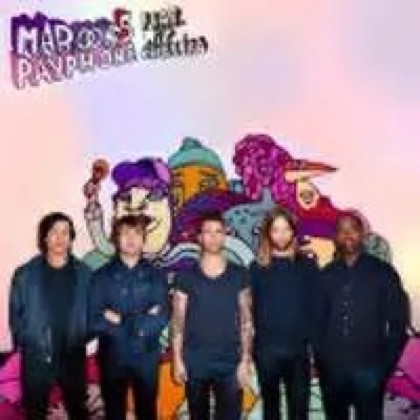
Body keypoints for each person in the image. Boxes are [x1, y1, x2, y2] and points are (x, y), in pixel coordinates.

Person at [314, 212, 409, 420]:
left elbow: (399, 323)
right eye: (342, 230)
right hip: (333, 371)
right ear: (335, 237)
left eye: (353, 229)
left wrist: (384, 367)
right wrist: (322, 360)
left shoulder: (384, 272)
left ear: (363, 234)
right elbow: (317, 322)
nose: (348, 235)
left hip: (370, 370)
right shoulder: (326, 274)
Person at [172, 211, 253, 420]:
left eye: (218, 231)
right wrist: (177, 359)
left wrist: (245, 359)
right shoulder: (185, 276)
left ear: (225, 235)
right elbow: (178, 323)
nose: (213, 236)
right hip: (195, 362)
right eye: (208, 231)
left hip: (230, 363)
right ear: (199, 237)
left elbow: (246, 321)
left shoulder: (239, 274)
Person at [9, 212, 91, 420]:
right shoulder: (25, 274)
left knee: (79, 411)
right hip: (37, 357)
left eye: (65, 232)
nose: (59, 238)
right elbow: (15, 316)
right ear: (45, 237)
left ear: (71, 238)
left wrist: (82, 336)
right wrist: (29, 339)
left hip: (72, 355)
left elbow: (94, 313)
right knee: (35, 413)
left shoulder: (86, 274)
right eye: (54, 231)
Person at [89, 214, 169, 420]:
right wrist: (141, 319)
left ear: (144, 239)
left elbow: (162, 317)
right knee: (114, 413)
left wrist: (120, 320)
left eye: (137, 233)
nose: (131, 238)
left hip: (146, 357)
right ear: (116, 239)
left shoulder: (157, 276)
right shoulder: (100, 277)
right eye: (125, 233)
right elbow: (94, 319)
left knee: (147, 412)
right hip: (112, 356)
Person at [250, 207, 317, 420]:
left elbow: (317, 309)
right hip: (266, 353)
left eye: (286, 229)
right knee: (271, 412)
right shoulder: (256, 268)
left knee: (299, 413)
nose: (281, 235)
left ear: (294, 232)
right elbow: (248, 311)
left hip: (299, 353)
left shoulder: (308, 266)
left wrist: (315, 349)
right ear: (268, 233)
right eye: (276, 229)